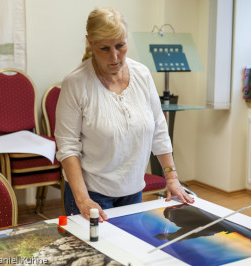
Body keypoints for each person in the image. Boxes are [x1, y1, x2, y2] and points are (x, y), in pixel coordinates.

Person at [55, 7, 194, 222]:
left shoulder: (142, 74)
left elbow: (158, 128)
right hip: (91, 193)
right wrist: (82, 200)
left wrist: (172, 178)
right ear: (90, 43)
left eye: (120, 45)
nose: (115, 57)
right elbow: (67, 148)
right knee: (93, 255)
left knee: (127, 254)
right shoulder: (75, 83)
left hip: (132, 191)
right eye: (104, 48)